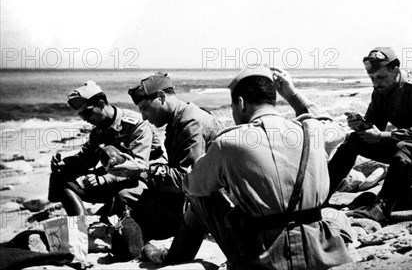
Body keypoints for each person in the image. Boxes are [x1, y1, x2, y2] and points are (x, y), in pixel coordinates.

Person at [142, 66, 353, 269]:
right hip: (316, 252)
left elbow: (193, 186)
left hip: (262, 259)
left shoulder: (230, 142)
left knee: (201, 199)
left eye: (233, 106)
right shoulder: (313, 131)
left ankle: (171, 258)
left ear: (241, 103)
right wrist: (292, 93)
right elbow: (331, 124)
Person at [327, 47, 412, 222]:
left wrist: (381, 136)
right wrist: (361, 126)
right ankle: (319, 196)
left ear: (396, 70)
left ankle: (380, 209)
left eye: (381, 77)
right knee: (354, 140)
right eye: (372, 78)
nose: (376, 83)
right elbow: (374, 126)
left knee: (403, 147)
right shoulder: (381, 91)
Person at [108, 72, 223, 240]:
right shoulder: (180, 119)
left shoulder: (190, 123)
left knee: (130, 203)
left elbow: (186, 179)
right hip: (194, 196)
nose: (144, 117)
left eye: (145, 108)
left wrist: (143, 170)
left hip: (205, 204)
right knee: (126, 196)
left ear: (161, 96)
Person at [49, 81, 161, 219]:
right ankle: (80, 227)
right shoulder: (99, 132)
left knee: (122, 196)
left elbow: (138, 166)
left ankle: (113, 212)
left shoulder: (136, 124)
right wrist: (64, 165)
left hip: (147, 177)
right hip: (115, 177)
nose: (86, 119)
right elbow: (85, 159)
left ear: (101, 104)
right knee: (66, 181)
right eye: (81, 115)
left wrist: (103, 179)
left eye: (88, 113)